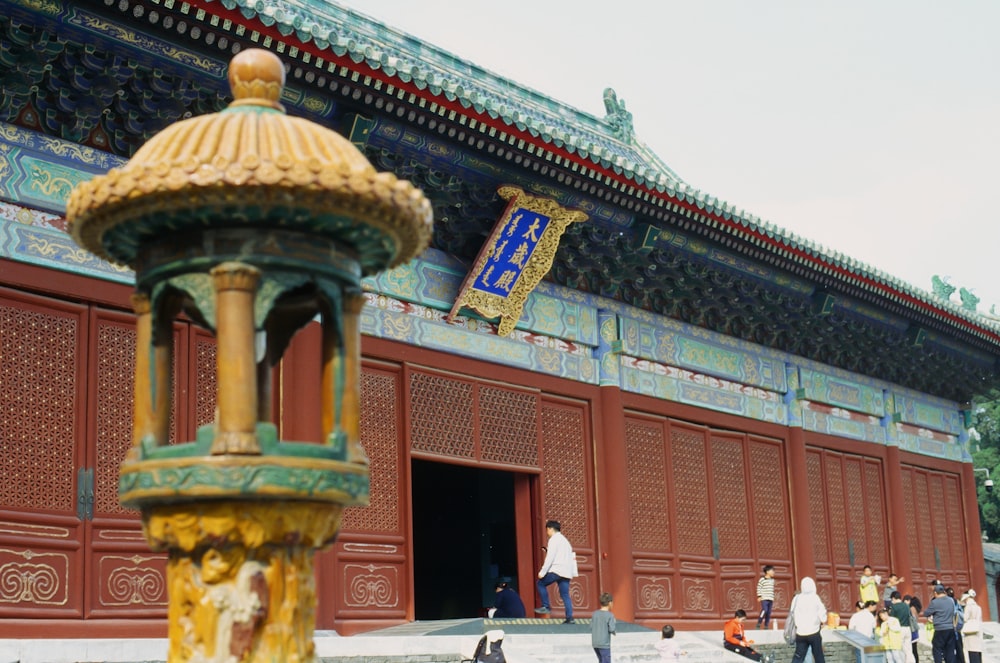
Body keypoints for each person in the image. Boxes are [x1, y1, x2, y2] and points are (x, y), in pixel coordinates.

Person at [535, 520, 578, 623]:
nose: (547, 532)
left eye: (547, 530)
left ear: (550, 528)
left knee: (540, 583)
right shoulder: (565, 541)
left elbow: (550, 558)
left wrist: (542, 572)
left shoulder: (553, 540)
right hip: (566, 572)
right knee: (565, 595)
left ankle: (546, 606)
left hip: (557, 570)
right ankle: (569, 618)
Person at [790, 576, 827, 663]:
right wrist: (823, 620)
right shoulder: (815, 598)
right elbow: (822, 615)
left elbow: (792, 612)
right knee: (819, 656)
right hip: (814, 632)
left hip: (800, 632)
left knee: (798, 657)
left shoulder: (797, 598)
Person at [923, 584, 956, 663]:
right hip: (950, 628)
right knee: (950, 651)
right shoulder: (951, 600)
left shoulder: (935, 602)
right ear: (944, 592)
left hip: (940, 629)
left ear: (935, 593)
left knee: (937, 650)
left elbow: (926, 613)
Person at [591, 591, 616, 663]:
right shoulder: (610, 615)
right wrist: (614, 632)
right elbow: (612, 628)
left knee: (601, 660)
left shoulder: (594, 614)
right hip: (604, 644)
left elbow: (591, 626)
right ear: (610, 603)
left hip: (595, 643)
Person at [888, 592, 913, 663]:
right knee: (908, 649)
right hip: (907, 628)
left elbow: (891, 619)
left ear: (893, 598)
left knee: (900, 649)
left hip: (899, 630)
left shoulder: (894, 606)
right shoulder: (906, 605)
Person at [960, 590, 983, 663]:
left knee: (972, 652)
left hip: (970, 630)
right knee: (977, 651)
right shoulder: (978, 606)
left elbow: (965, 618)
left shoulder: (968, 606)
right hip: (977, 629)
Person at [907, 596, 922, 663]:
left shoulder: (911, 608)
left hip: (912, 630)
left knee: (912, 650)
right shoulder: (917, 609)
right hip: (915, 631)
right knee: (914, 649)